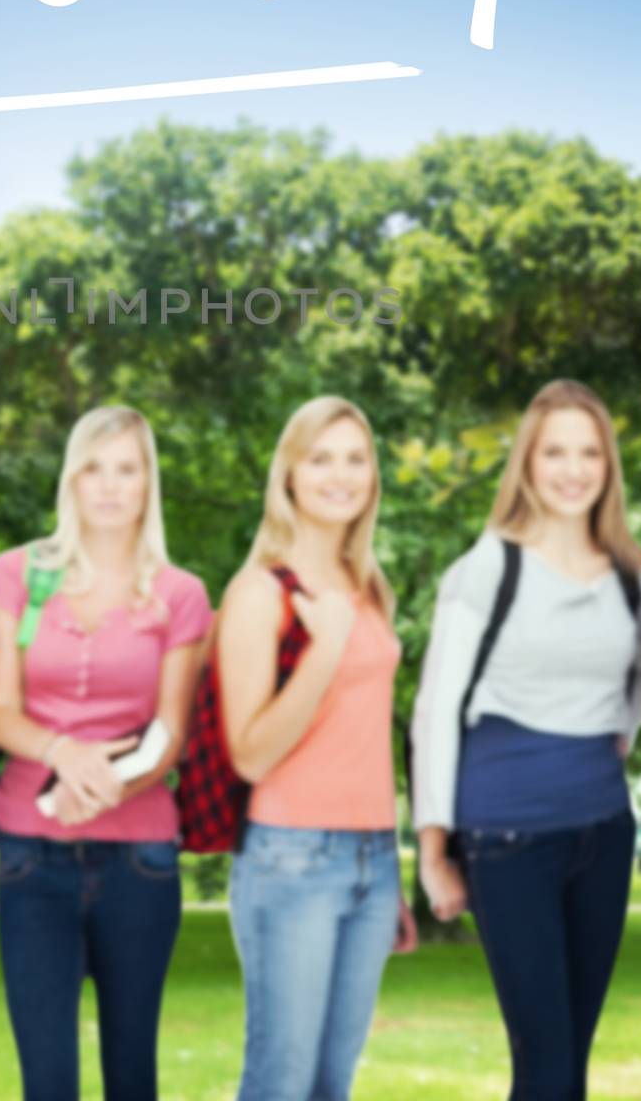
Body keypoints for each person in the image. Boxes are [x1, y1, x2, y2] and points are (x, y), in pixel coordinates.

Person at [410, 380, 641, 1101]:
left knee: (566, 1065)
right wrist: (433, 852)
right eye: (554, 451)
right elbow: (435, 709)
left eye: (588, 452)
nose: (572, 469)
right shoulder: (488, 568)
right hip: (506, 839)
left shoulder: (635, 581)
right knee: (546, 1066)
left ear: (608, 466)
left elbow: (636, 688)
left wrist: (623, 737)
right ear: (526, 462)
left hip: (604, 836)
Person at [0, 406, 211, 1101]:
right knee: (46, 1079)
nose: (109, 485)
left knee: (131, 1074)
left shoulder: (180, 595)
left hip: (139, 862)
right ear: (71, 480)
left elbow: (172, 730)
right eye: (94, 468)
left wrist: (106, 782)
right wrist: (64, 754)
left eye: (127, 469)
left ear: (148, 483)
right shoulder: (17, 574)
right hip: (31, 858)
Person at [217, 396, 413, 1101]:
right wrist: (323, 649)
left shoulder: (368, 588)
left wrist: (384, 866)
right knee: (282, 1082)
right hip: (290, 858)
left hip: (372, 859)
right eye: (320, 457)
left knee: (333, 1083)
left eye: (355, 458)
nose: (340, 474)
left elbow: (363, 735)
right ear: (290, 475)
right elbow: (250, 754)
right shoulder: (260, 591)